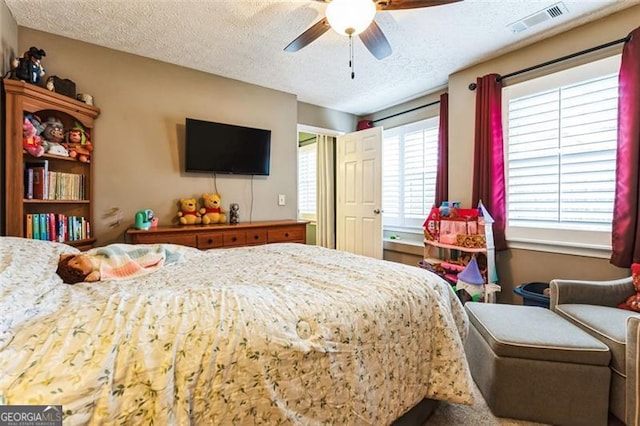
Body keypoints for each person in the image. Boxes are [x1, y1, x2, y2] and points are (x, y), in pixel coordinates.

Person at [56, 243, 185, 284]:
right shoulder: (96, 270)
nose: (80, 258)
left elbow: (110, 250)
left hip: (117, 252)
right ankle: (156, 255)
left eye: (75, 259)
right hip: (119, 259)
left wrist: (66, 257)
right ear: (83, 274)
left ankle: (157, 251)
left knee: (143, 251)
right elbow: (115, 270)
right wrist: (99, 274)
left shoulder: (89, 255)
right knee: (148, 256)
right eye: (78, 263)